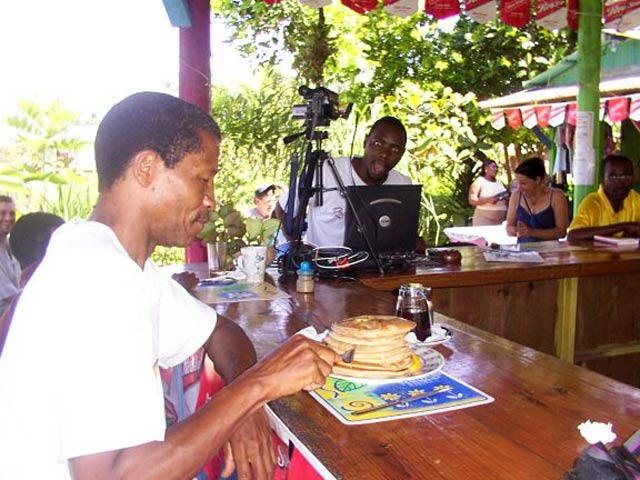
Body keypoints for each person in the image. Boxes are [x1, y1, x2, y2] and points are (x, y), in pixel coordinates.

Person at [0, 91, 338, 479]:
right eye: (202, 179)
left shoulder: (126, 268)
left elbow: (222, 332)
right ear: (147, 169)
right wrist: (257, 387)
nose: (210, 199)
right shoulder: (95, 278)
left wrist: (245, 406)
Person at [279, 116, 411, 248]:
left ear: (402, 154)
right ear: (365, 142)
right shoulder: (324, 170)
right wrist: (294, 245)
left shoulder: (403, 184)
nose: (384, 154)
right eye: (377, 144)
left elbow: (403, 233)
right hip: (324, 264)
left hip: (380, 266)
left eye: (394, 150)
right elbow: (282, 207)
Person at [567, 153, 640, 242]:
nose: (620, 182)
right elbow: (573, 235)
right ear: (602, 179)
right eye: (613, 177)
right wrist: (623, 227)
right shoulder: (593, 202)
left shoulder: (635, 199)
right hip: (597, 256)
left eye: (626, 177)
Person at [506, 156, 569, 243]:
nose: (519, 187)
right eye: (517, 183)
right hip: (523, 253)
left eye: (523, 183)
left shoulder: (556, 196)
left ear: (538, 180)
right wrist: (516, 230)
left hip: (550, 253)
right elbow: (508, 228)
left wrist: (531, 232)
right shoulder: (516, 196)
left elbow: (562, 232)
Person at [468, 159, 509, 226]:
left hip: (501, 220)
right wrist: (488, 200)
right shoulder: (479, 181)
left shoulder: (500, 182)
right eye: (493, 167)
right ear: (486, 169)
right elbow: (472, 200)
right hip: (484, 220)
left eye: (496, 167)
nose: (496, 169)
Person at [0, 195, 21, 314]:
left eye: (12, 214)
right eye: (2, 213)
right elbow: (8, 295)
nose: (8, 218)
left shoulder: (8, 244)